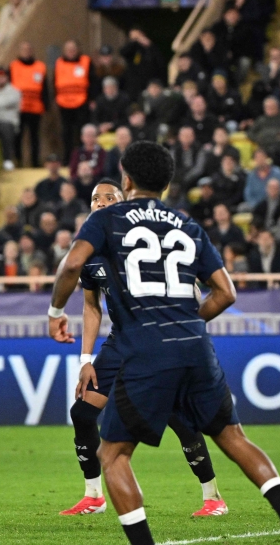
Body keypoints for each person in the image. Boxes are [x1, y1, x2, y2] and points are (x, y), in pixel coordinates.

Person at [47, 141, 280, 545]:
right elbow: (226, 293)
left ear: (127, 179)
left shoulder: (107, 221)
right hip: (195, 344)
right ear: (169, 183)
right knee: (234, 438)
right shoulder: (187, 223)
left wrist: (54, 313)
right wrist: (189, 320)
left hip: (145, 345)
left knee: (114, 455)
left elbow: (70, 263)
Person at [61, 179, 227, 518]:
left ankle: (213, 497)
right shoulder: (89, 254)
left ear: (124, 203)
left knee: (179, 419)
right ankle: (94, 495)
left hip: (157, 342)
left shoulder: (147, 243)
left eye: (110, 197)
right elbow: (91, 307)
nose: (101, 202)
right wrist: (86, 358)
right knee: (82, 413)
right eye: (95, 198)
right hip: (121, 342)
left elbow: (192, 293)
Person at [10, 41, 47, 166]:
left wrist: (46, 105)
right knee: (17, 137)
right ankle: (18, 162)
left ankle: (35, 163)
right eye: (23, 49)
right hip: (18, 108)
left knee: (34, 137)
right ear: (19, 51)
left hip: (35, 108)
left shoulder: (40, 66)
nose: (26, 51)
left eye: (28, 49)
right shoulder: (13, 66)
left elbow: (45, 88)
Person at [54, 40, 92, 161]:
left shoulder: (85, 61)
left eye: (73, 48)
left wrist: (91, 100)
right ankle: (68, 159)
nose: (71, 51)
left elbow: (93, 81)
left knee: (81, 132)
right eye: (68, 49)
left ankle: (83, 158)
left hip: (82, 102)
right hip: (64, 103)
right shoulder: (59, 63)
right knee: (66, 133)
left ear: (78, 50)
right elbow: (54, 81)